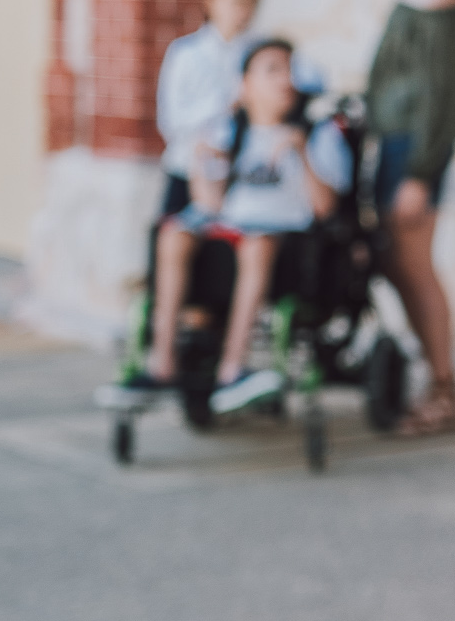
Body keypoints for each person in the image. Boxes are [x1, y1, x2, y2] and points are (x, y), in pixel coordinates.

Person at [143, 39, 352, 413]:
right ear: (245, 85)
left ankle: (231, 369)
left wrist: (301, 152)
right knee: (174, 234)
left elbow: (325, 208)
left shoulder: (317, 135)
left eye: (288, 70)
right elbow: (212, 204)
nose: (284, 80)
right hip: (232, 234)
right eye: (271, 70)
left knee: (257, 245)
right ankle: (162, 363)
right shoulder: (231, 133)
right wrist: (200, 163)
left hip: (286, 241)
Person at [367, 0, 455, 436]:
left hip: (415, 151)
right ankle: (433, 380)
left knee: (415, 267)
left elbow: (442, 95)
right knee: (399, 267)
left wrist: (419, 174)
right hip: (395, 145)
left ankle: (444, 391)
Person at [155, 0, 263, 219]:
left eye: (252, 0)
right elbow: (171, 121)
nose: (244, 8)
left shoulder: (258, 53)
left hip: (239, 173)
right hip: (187, 168)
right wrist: (228, 101)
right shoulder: (186, 53)